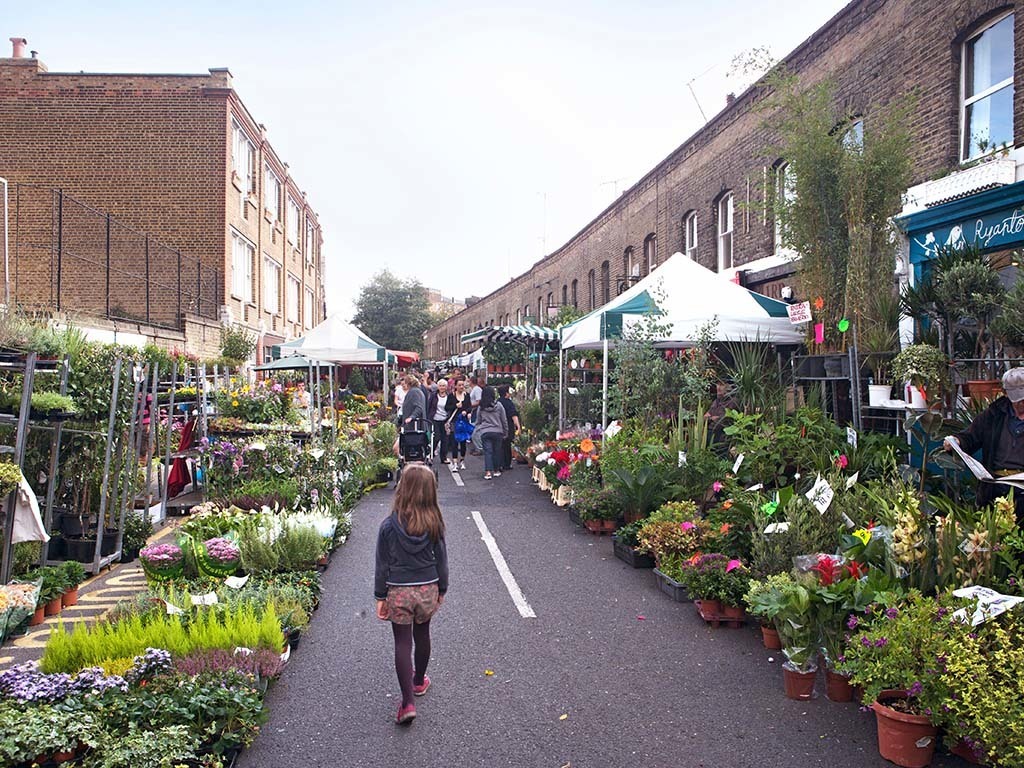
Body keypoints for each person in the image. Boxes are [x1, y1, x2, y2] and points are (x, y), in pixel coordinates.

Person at [374, 464, 448, 725]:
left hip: (399, 591)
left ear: (401, 489)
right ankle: (419, 681)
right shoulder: (434, 522)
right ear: (430, 492)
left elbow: (382, 565)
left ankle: (407, 702)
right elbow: (442, 560)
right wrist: (442, 590)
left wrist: (380, 597)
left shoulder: (388, 526)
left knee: (402, 643)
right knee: (423, 633)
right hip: (428, 587)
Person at [946, 367, 1024, 525]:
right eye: (1017, 399)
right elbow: (971, 436)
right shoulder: (994, 414)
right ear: (1005, 393)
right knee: (997, 542)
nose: (1021, 403)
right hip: (997, 488)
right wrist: (956, 441)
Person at [475, 386, 508, 480]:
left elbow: (478, 420)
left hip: (485, 431)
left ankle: (488, 472)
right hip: (498, 431)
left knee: (488, 452)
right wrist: (505, 432)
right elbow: (504, 420)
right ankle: (497, 470)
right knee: (497, 451)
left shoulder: (481, 407)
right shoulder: (499, 405)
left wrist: (479, 429)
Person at [427, 379, 456, 463]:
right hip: (435, 419)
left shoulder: (449, 396)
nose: (442, 387)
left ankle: (443, 458)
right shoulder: (433, 395)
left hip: (445, 420)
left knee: (445, 439)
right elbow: (429, 406)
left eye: (444, 386)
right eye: (440, 386)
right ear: (438, 387)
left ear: (446, 387)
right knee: (436, 438)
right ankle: (430, 454)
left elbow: (452, 406)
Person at [450, 379, 473, 470]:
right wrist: (455, 406)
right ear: (455, 386)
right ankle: (455, 462)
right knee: (454, 442)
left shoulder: (467, 396)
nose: (461, 387)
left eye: (462, 385)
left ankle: (462, 460)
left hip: (464, 421)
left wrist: (467, 412)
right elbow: (447, 407)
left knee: (463, 442)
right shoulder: (451, 396)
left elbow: (469, 407)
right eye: (459, 385)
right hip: (455, 421)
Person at [497, 385, 521, 471]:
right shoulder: (509, 403)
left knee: (500, 446)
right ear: (506, 393)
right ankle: (507, 464)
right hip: (508, 426)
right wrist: (518, 426)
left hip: (498, 426)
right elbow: (513, 415)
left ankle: (499, 463)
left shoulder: (497, 402)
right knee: (507, 445)